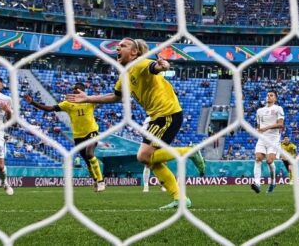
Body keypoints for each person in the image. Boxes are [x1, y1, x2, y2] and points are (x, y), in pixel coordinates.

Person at [66, 38, 205, 209]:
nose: (118, 47)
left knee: (143, 156)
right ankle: (180, 198)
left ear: (134, 53)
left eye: (123, 45)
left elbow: (156, 67)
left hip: (167, 113)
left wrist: (164, 66)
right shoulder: (125, 75)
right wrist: (88, 98)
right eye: (118, 45)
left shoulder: (140, 64)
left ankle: (189, 152)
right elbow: (116, 96)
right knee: (151, 160)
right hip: (158, 116)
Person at [24, 82, 105, 192]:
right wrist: (33, 102)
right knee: (87, 161)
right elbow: (49, 108)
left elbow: (103, 100)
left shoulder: (90, 101)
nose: (75, 93)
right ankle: (95, 179)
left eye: (78, 91)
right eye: (74, 91)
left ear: (83, 92)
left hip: (92, 132)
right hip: (78, 137)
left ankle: (101, 181)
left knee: (89, 154)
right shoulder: (67, 104)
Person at [251, 91, 284, 194]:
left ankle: (273, 182)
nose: (269, 96)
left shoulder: (278, 109)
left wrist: (266, 128)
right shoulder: (260, 111)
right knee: (258, 158)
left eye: (271, 95)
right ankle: (257, 183)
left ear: (275, 99)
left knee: (269, 161)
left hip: (273, 139)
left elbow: (280, 124)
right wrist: (258, 130)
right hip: (262, 139)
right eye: (268, 95)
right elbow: (259, 126)